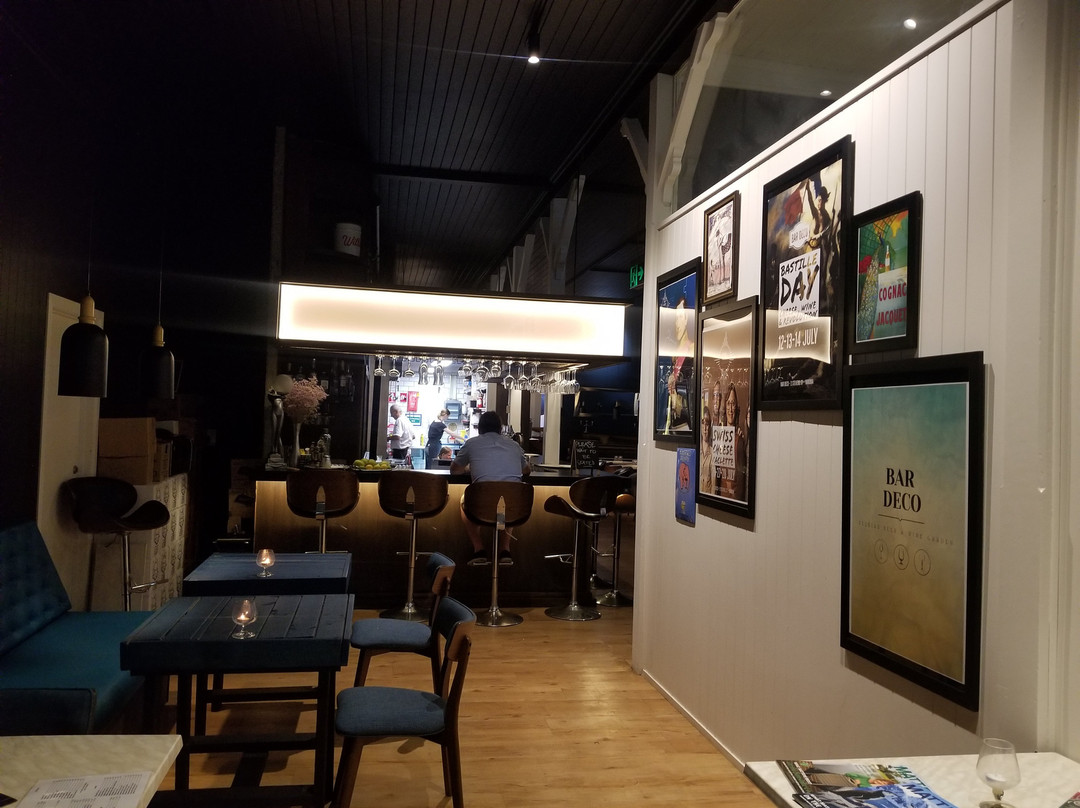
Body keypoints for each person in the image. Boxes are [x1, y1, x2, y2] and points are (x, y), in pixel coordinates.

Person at [450, 410, 532, 566]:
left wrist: (470, 468)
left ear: (480, 428)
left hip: (481, 508)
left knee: (464, 500)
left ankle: (479, 549)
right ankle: (505, 549)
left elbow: (455, 470)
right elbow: (526, 470)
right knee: (511, 497)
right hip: (515, 508)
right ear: (500, 428)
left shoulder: (471, 443)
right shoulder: (514, 445)